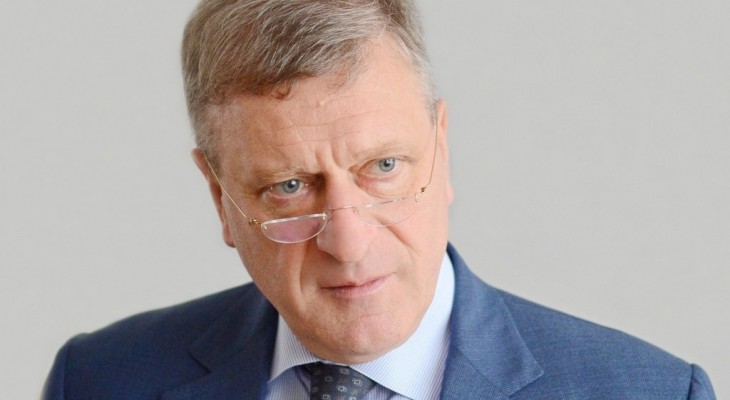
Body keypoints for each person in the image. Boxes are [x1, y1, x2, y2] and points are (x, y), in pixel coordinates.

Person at [42, 1, 716, 399]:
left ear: (441, 149)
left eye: (383, 168)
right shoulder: (100, 381)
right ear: (220, 197)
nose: (347, 242)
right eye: (289, 186)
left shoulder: (649, 393)